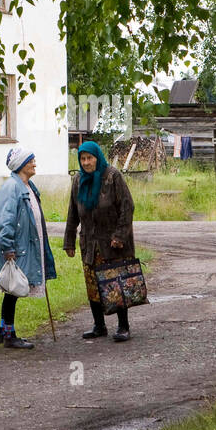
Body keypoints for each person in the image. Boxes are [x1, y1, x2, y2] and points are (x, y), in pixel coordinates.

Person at [0, 147, 57, 350]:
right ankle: (8, 336)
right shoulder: (12, 188)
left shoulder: (28, 186)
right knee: (12, 289)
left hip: (27, 246)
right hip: (16, 249)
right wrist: (7, 247)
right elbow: (4, 221)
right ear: (22, 164)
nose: (35, 163)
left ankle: (4, 332)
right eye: (31, 160)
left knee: (12, 289)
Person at [63, 140, 136, 342]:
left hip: (112, 243)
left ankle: (123, 326)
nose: (86, 162)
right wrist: (69, 241)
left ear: (97, 157)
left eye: (90, 158)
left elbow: (127, 207)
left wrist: (120, 236)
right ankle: (99, 326)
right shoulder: (78, 180)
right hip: (90, 244)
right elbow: (72, 212)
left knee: (116, 283)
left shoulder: (112, 177)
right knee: (93, 284)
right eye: (83, 159)